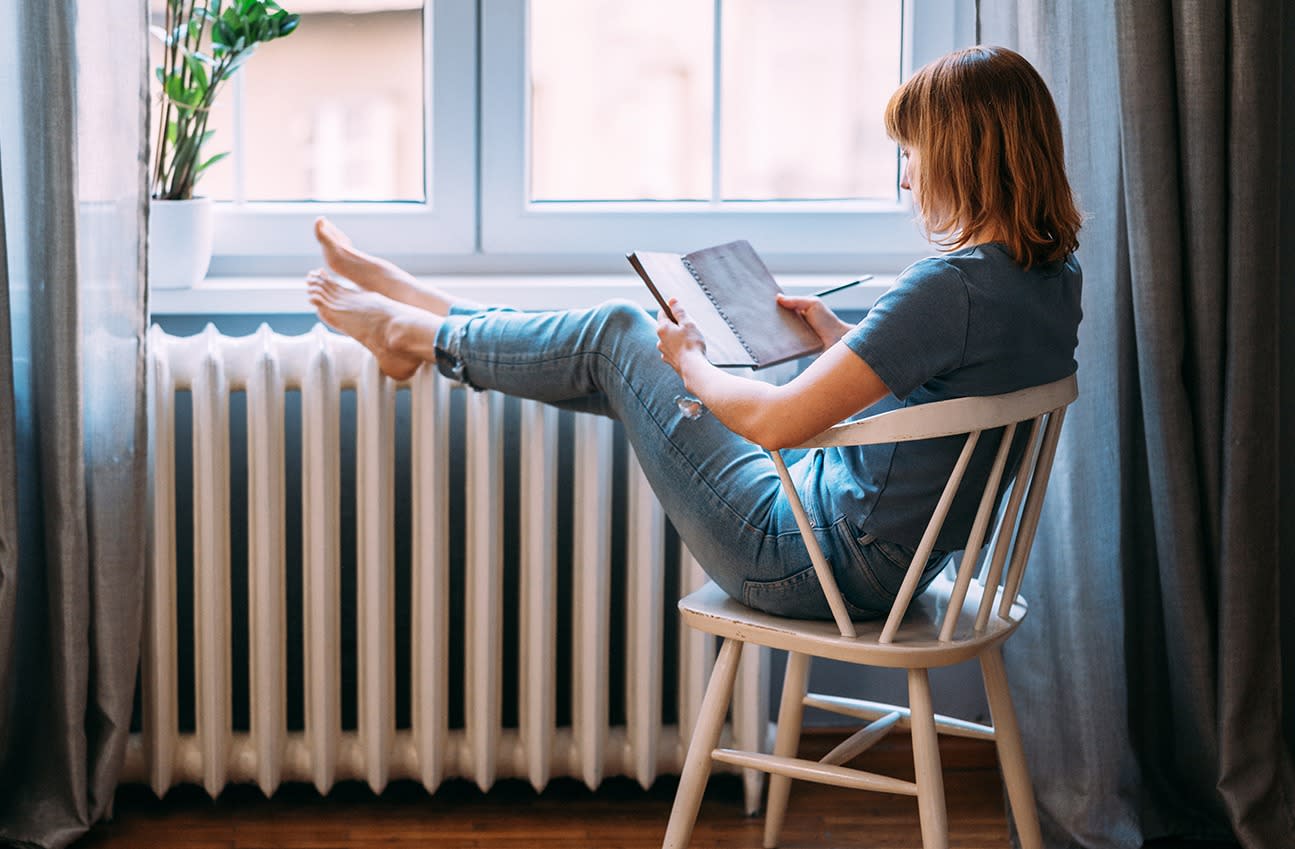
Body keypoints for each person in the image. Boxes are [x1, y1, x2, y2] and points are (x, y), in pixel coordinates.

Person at [305, 45, 1082, 621]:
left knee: (620, 334)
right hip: (887, 557)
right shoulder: (1047, 280)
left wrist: (693, 362)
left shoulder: (946, 288)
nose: (906, 177)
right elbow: (958, 385)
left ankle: (423, 332)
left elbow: (779, 423)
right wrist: (837, 336)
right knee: (614, 357)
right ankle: (431, 319)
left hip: (813, 563)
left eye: (910, 154)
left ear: (960, 157)